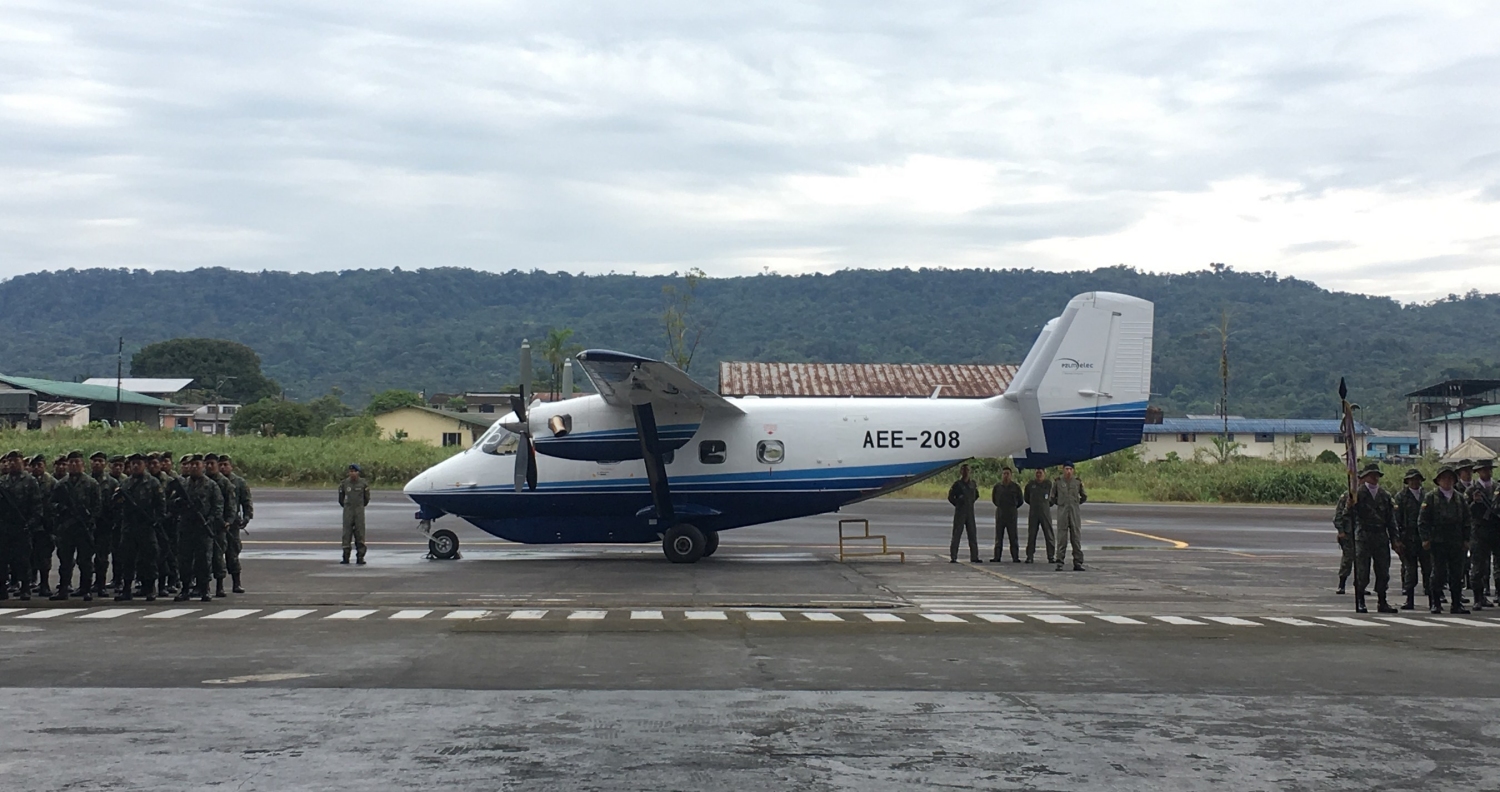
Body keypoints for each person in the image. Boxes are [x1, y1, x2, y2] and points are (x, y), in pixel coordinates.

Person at [1337, 463, 1398, 614]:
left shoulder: (1384, 495)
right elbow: (1346, 516)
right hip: (1363, 536)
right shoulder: (1357, 494)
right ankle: (1360, 600)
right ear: (1364, 477)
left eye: (1376, 475)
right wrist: (1349, 506)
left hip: (1381, 536)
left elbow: (1391, 520)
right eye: (1371, 475)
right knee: (1362, 571)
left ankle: (1382, 601)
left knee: (1383, 571)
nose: (1374, 478)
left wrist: (1395, 539)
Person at [170, 454, 222, 602]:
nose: (193, 467)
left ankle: (204, 589)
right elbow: (171, 504)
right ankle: (185, 589)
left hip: (202, 528)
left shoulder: (211, 485)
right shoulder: (182, 484)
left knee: (203, 560)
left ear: (203, 466)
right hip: (186, 527)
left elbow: (218, 506)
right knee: (184, 560)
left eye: (197, 464)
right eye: (191, 464)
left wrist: (209, 521)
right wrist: (179, 503)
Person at [1420, 466, 1471, 614]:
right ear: (1438, 481)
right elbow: (1423, 520)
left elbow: (1467, 520)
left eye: (1450, 478)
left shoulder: (1460, 498)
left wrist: (1467, 539)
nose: (1447, 481)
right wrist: (1425, 538)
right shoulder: (1431, 497)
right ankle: (1435, 603)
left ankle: (1457, 603)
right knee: (1438, 573)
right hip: (1438, 541)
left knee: (1457, 573)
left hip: (1456, 540)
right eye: (1444, 478)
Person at [51, 451, 102, 601]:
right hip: (66, 529)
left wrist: (90, 520)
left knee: (85, 561)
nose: (73, 465)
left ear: (82, 464)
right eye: (71, 462)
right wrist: (62, 509)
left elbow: (97, 506)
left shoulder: (91, 483)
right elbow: (52, 504)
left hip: (84, 529)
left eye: (77, 462)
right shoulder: (61, 484)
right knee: (65, 561)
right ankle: (63, 589)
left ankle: (86, 589)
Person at [113, 454, 164, 602]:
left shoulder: (153, 483)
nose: (135, 466)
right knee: (127, 558)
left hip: (146, 526)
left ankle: (150, 588)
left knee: (149, 558)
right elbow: (116, 503)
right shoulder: (125, 483)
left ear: (145, 465)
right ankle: (126, 588)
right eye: (133, 463)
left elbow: (160, 505)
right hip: (129, 526)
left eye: (138, 463)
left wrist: (156, 520)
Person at [0, 450, 42, 601]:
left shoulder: (30, 481)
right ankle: (2, 588)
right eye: (10, 461)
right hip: (5, 527)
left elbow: (36, 506)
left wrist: (30, 524)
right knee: (2, 559)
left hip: (22, 525)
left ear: (22, 462)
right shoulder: (2, 481)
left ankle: (25, 587)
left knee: (23, 559)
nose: (12, 464)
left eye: (15, 461)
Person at [1393, 469, 1429, 611]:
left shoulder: (1427, 496)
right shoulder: (1401, 497)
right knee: (1410, 570)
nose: (1415, 482)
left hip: (1424, 537)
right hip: (1408, 537)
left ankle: (1432, 597)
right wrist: (1397, 539)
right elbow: (1396, 520)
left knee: (1428, 568)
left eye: (1417, 479)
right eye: (1412, 479)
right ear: (1407, 481)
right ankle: (1409, 598)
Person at [1467, 459, 1499, 610]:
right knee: (1479, 567)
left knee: (1499, 565)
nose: (1487, 472)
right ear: (1478, 472)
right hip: (1480, 532)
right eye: (1483, 470)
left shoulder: (1497, 487)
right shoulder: (1472, 490)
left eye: (1488, 469)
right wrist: (1474, 503)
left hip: (1497, 530)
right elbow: (1465, 511)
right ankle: (1478, 598)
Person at [204, 453, 235, 597]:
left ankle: (220, 586)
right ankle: (203, 586)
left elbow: (231, 504)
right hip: (203, 525)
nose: (209, 466)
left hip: (218, 525)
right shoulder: (201, 481)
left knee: (218, 556)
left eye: (212, 463)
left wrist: (228, 521)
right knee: (203, 558)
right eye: (207, 463)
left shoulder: (224, 483)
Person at [89, 451, 119, 597]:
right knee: (85, 557)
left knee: (102, 557)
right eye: (95, 461)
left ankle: (100, 585)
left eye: (100, 461)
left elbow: (117, 505)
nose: (97, 464)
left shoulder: (112, 482)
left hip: (104, 525)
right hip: (88, 524)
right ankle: (85, 585)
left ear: (105, 464)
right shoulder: (86, 480)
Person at [221, 455, 252, 593]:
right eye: (220, 465)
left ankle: (236, 583)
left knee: (232, 553)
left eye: (225, 465)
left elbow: (246, 501)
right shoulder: (213, 481)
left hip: (232, 523)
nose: (223, 467)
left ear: (231, 466)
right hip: (216, 522)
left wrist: (247, 517)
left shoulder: (239, 482)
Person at [27, 454, 56, 597]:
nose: (37, 468)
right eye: (34, 465)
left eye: (39, 465)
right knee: (29, 556)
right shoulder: (28, 481)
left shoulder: (51, 482)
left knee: (44, 557)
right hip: (30, 524)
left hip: (45, 526)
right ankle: (30, 582)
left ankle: (44, 584)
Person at [1051, 462, 1087, 571]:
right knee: (1062, 538)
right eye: (1066, 469)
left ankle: (1078, 562)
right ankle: (1059, 562)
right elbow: (1052, 497)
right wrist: (1060, 504)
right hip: (1062, 513)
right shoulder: (1058, 482)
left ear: (1073, 470)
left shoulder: (1077, 482)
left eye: (1070, 469)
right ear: (1063, 470)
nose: (1068, 471)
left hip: (1074, 513)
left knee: (1076, 538)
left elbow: (1084, 496)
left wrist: (1076, 503)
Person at [339, 464, 371, 565]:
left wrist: (360, 506)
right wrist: (346, 506)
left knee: (360, 533)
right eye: (350, 471)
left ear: (358, 472)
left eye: (354, 471)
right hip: (348, 511)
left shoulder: (363, 484)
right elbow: (341, 498)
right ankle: (346, 557)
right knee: (346, 534)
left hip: (359, 511)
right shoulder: (345, 483)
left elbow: (366, 498)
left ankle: (360, 557)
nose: (352, 473)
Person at [990, 467, 1024, 562]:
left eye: (1007, 474)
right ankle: (997, 557)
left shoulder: (1015, 487)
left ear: (1011, 475)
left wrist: (1013, 507)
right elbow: (994, 499)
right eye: (1004, 473)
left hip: (1011, 514)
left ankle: (1015, 557)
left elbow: (1020, 500)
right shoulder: (997, 487)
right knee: (998, 536)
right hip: (1000, 513)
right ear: (1002, 475)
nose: (1006, 476)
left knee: (1013, 536)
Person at [1023, 468, 1055, 564]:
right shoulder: (1030, 485)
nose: (1039, 474)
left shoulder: (1048, 484)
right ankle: (1029, 556)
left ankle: (1051, 556)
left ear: (1044, 473)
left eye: (1040, 473)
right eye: (1037, 473)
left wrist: (1046, 505)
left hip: (1045, 513)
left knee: (1049, 534)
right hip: (1034, 513)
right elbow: (1026, 498)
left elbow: (1053, 498)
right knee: (1032, 535)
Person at [1333, 492, 1355, 595]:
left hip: (1361, 533)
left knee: (1362, 561)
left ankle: (1360, 585)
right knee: (1347, 559)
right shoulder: (1346, 496)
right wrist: (1341, 531)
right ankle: (1342, 584)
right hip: (1348, 533)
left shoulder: (1365, 495)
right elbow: (1338, 515)